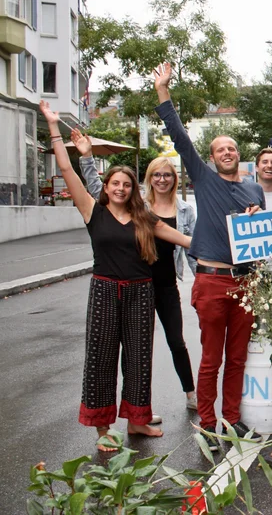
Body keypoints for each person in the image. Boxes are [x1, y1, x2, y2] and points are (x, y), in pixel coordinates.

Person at [39, 100, 192, 452]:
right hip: (106, 291)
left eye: (127, 184)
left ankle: (138, 421)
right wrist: (55, 128)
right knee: (101, 357)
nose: (121, 188)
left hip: (141, 292)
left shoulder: (144, 219)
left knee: (139, 358)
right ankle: (102, 428)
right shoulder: (92, 209)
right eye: (115, 183)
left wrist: (233, 235)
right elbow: (66, 170)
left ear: (133, 189)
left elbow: (185, 239)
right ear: (106, 187)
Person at [153, 62, 265, 451]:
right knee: (211, 360)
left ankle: (232, 421)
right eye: (220, 149)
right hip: (213, 279)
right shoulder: (203, 178)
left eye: (232, 148)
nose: (227, 152)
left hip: (246, 281)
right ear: (213, 157)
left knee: (237, 359)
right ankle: (208, 422)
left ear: (239, 154)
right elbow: (180, 138)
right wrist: (163, 91)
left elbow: (266, 236)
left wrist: (259, 218)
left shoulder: (254, 191)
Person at [76, 146, 198, 413]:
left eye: (167, 175)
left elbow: (191, 245)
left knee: (175, 341)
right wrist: (86, 157)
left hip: (164, 285)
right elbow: (101, 188)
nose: (162, 179)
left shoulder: (185, 210)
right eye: (157, 175)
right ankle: (137, 409)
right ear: (149, 178)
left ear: (175, 179)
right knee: (134, 351)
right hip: (135, 284)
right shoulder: (136, 204)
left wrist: (203, 276)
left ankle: (190, 392)